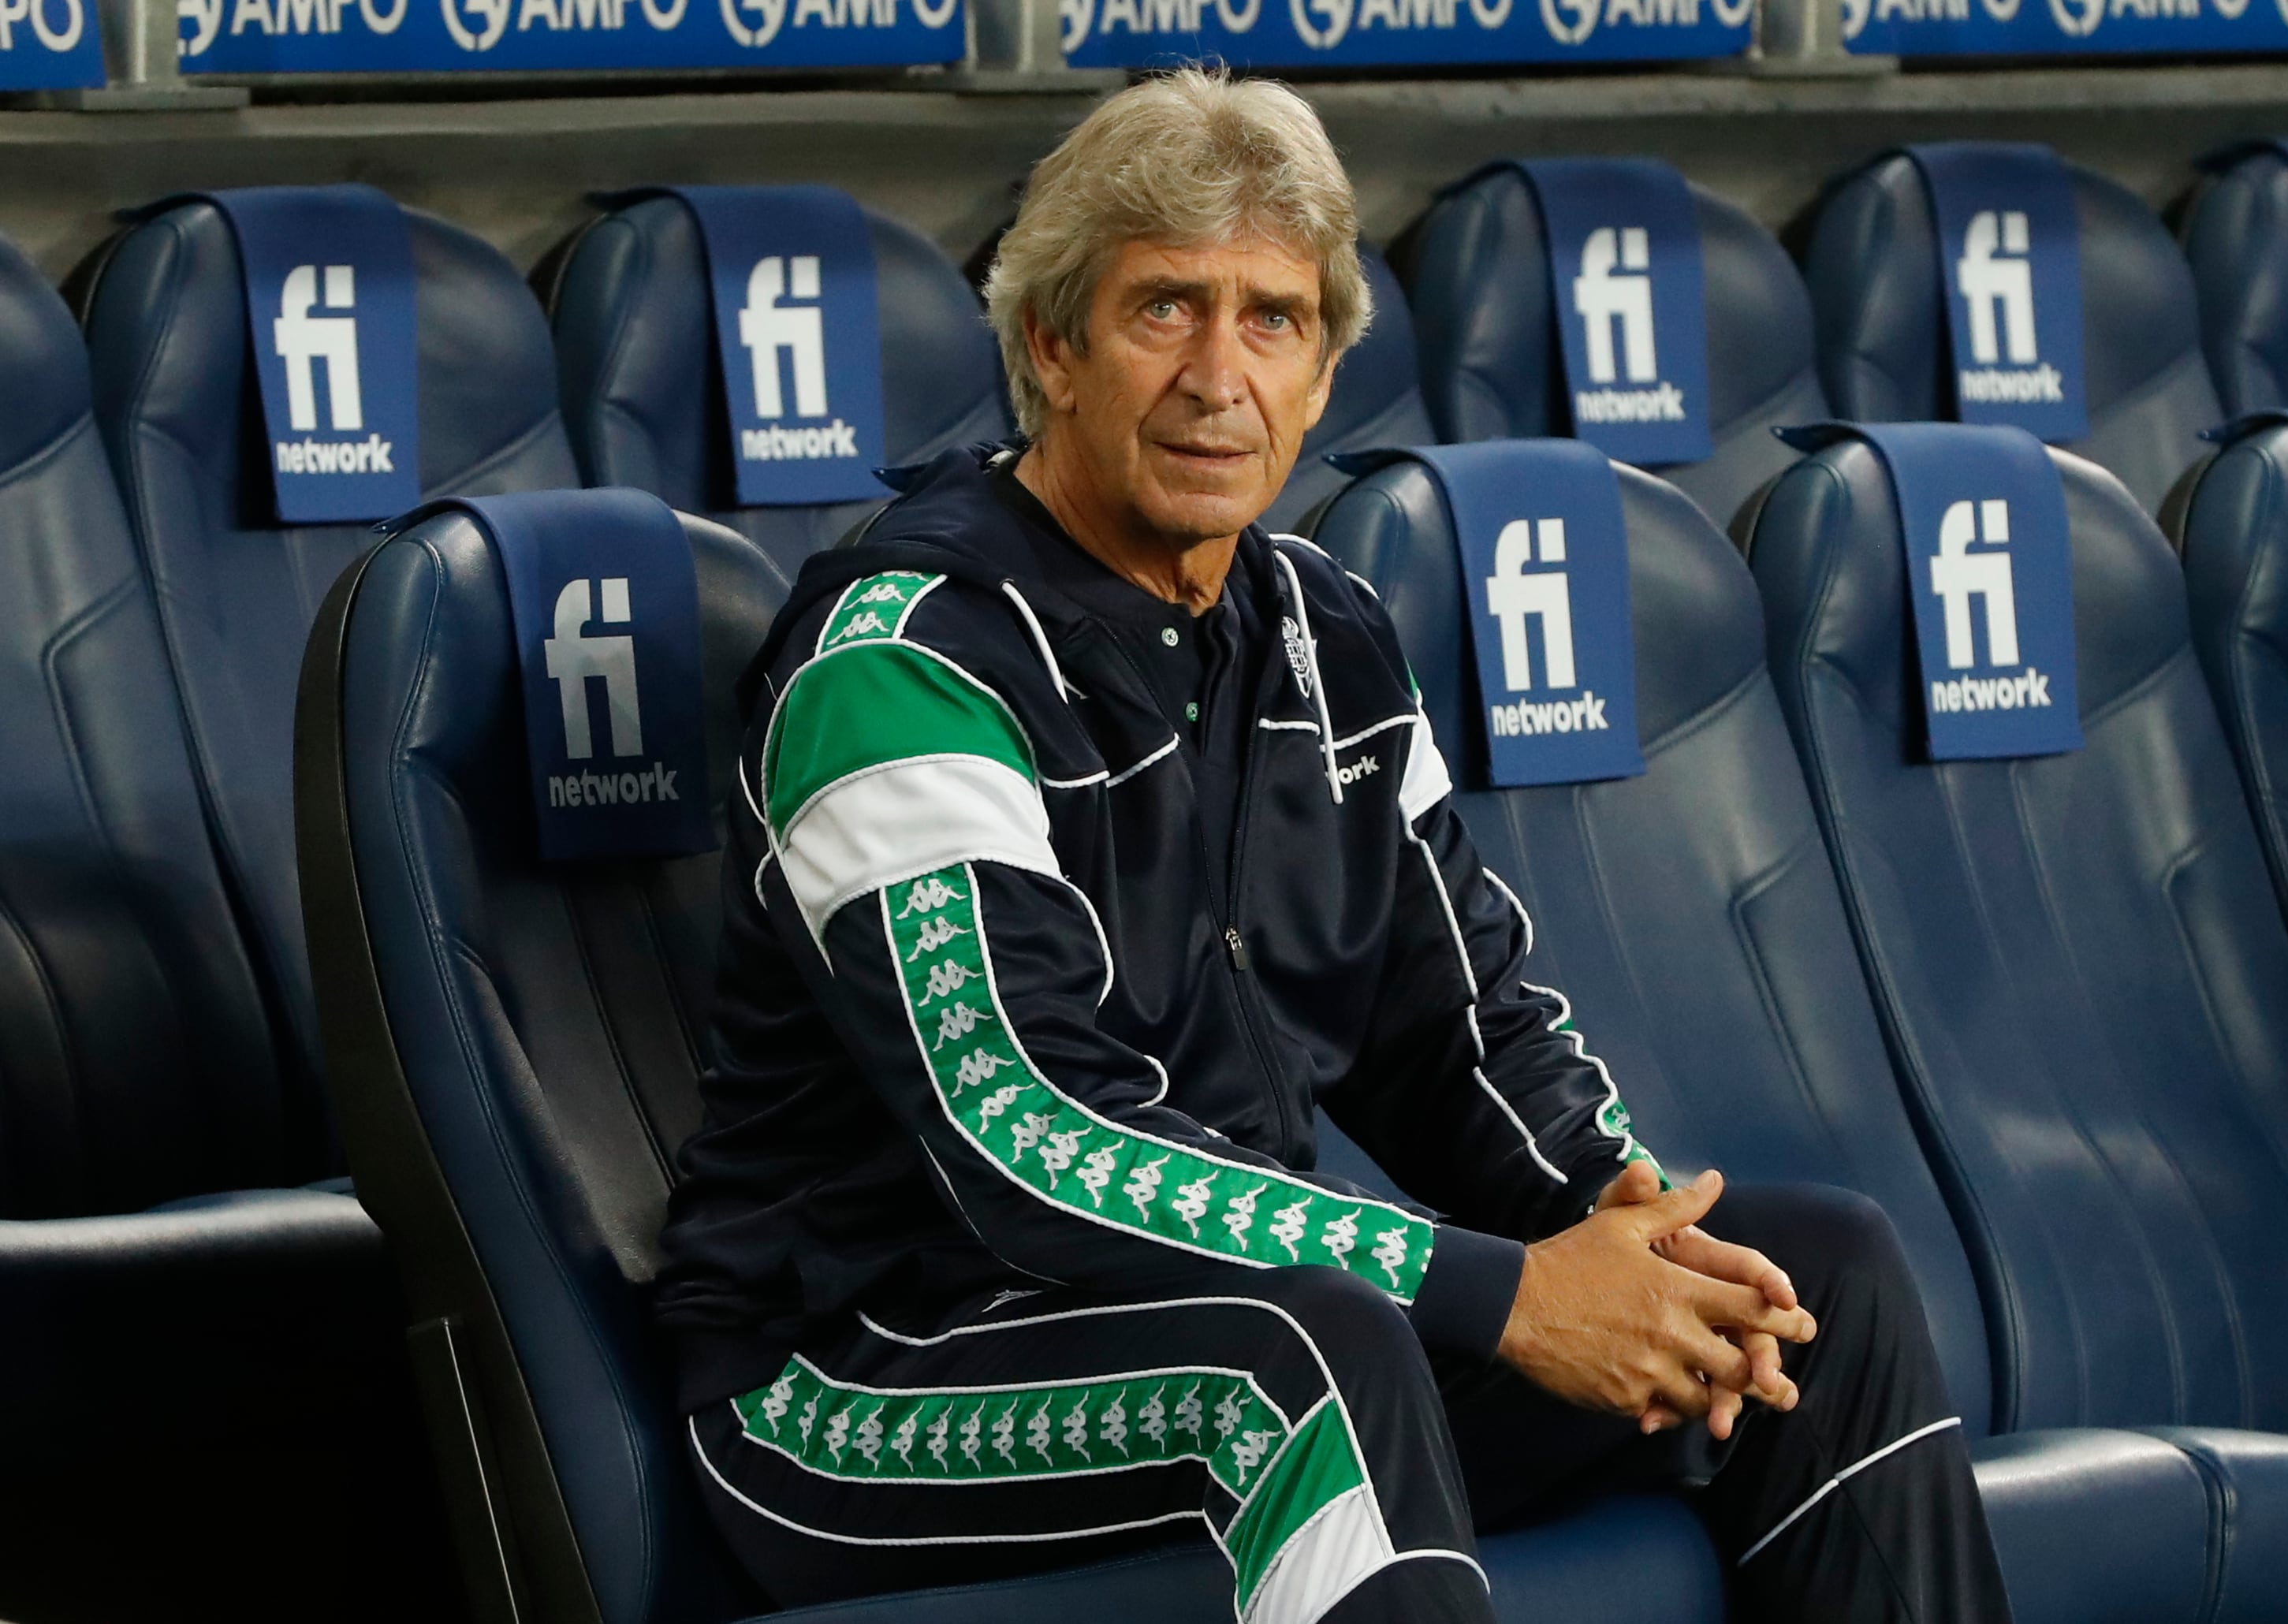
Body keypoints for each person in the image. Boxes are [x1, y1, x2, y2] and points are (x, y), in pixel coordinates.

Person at [656, 67, 2014, 1624]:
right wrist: (1506, 1294)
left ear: (1320, 376)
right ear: (1053, 347)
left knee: (1800, 1282)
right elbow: (1024, 1141)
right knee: (1309, 1355)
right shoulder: (897, 662)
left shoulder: (1327, 632)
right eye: (1165, 309)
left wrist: (1610, 1219)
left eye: (1273, 319)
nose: (1217, 377)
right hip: (859, 1386)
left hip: (1224, 1322)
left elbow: (1459, 1032)